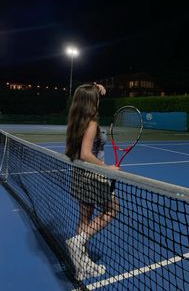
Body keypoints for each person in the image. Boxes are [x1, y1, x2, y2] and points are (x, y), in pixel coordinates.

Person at [65, 83, 119, 281]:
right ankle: (78, 242)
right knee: (112, 209)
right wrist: (107, 169)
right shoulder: (92, 123)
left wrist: (97, 88)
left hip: (79, 175)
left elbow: (79, 154)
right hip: (93, 176)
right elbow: (86, 154)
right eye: (96, 97)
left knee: (84, 219)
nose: (99, 99)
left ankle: (82, 265)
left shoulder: (77, 120)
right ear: (91, 102)